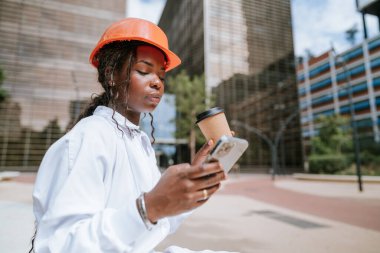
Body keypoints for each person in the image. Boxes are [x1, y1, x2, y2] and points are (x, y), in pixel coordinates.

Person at [31, 18, 235, 253]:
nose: (157, 82)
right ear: (110, 75)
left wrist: (195, 185)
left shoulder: (138, 143)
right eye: (144, 71)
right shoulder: (89, 138)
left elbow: (158, 224)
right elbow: (61, 245)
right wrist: (148, 208)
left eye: (161, 76)